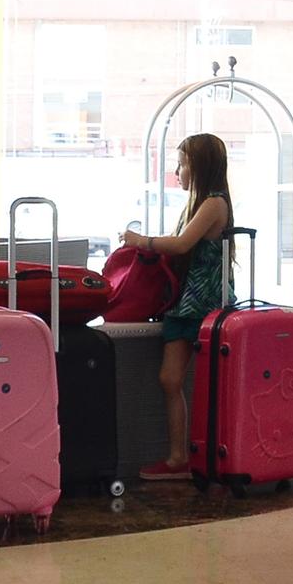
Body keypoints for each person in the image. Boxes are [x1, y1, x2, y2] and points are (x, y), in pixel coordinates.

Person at [120, 132, 235, 481]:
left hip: (205, 305)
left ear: (199, 167)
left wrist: (141, 240)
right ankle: (178, 457)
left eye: (182, 164)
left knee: (204, 383)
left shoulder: (214, 204)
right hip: (186, 304)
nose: (177, 172)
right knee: (169, 379)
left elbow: (182, 244)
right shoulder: (196, 205)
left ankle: (200, 454)